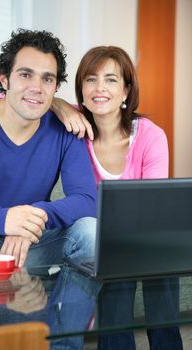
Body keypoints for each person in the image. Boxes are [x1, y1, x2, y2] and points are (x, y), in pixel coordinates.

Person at [54, 46, 183, 349]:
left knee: (159, 253)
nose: (99, 88)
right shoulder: (75, 130)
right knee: (114, 259)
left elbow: (152, 205)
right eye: (90, 79)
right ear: (81, 90)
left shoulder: (150, 135)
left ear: (126, 90)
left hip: (147, 231)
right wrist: (59, 105)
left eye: (111, 80)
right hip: (101, 238)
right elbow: (29, 100)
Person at [0, 28, 97, 269]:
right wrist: (4, 220)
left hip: (32, 245)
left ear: (55, 88)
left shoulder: (67, 128)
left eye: (47, 78)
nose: (37, 87)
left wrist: (32, 218)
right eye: (25, 75)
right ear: (4, 79)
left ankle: (57, 306)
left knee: (91, 233)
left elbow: (87, 200)